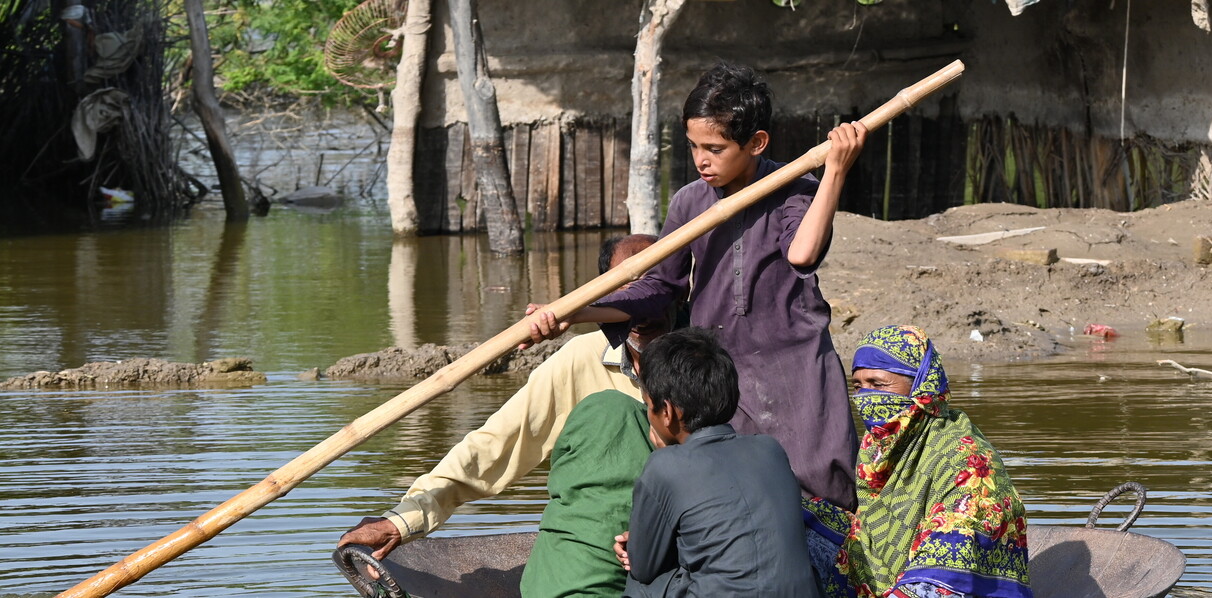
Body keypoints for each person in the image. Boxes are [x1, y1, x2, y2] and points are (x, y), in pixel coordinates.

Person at [529, 61, 866, 512]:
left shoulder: (794, 186)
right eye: (693, 146)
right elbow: (659, 288)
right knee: (733, 492)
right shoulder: (690, 201)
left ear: (756, 143)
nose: (701, 160)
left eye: (715, 147)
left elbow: (803, 254)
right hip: (721, 371)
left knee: (819, 482)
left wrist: (835, 173)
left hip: (796, 366)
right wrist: (576, 312)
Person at [336, 234, 672, 565]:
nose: (639, 304)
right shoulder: (580, 359)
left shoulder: (705, 358)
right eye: (626, 287)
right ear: (603, 293)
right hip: (606, 543)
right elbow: (498, 443)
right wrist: (403, 519)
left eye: (651, 288)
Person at [805, 325, 1032, 598]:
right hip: (888, 577)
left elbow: (942, 575)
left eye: (877, 384)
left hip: (945, 584)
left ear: (921, 386)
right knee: (794, 518)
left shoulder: (969, 465)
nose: (865, 398)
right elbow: (870, 533)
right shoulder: (881, 448)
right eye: (858, 386)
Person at [613, 328, 819, 597]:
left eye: (648, 405)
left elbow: (643, 567)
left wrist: (635, 547)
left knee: (640, 585)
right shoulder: (770, 449)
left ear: (667, 412)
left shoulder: (664, 466)